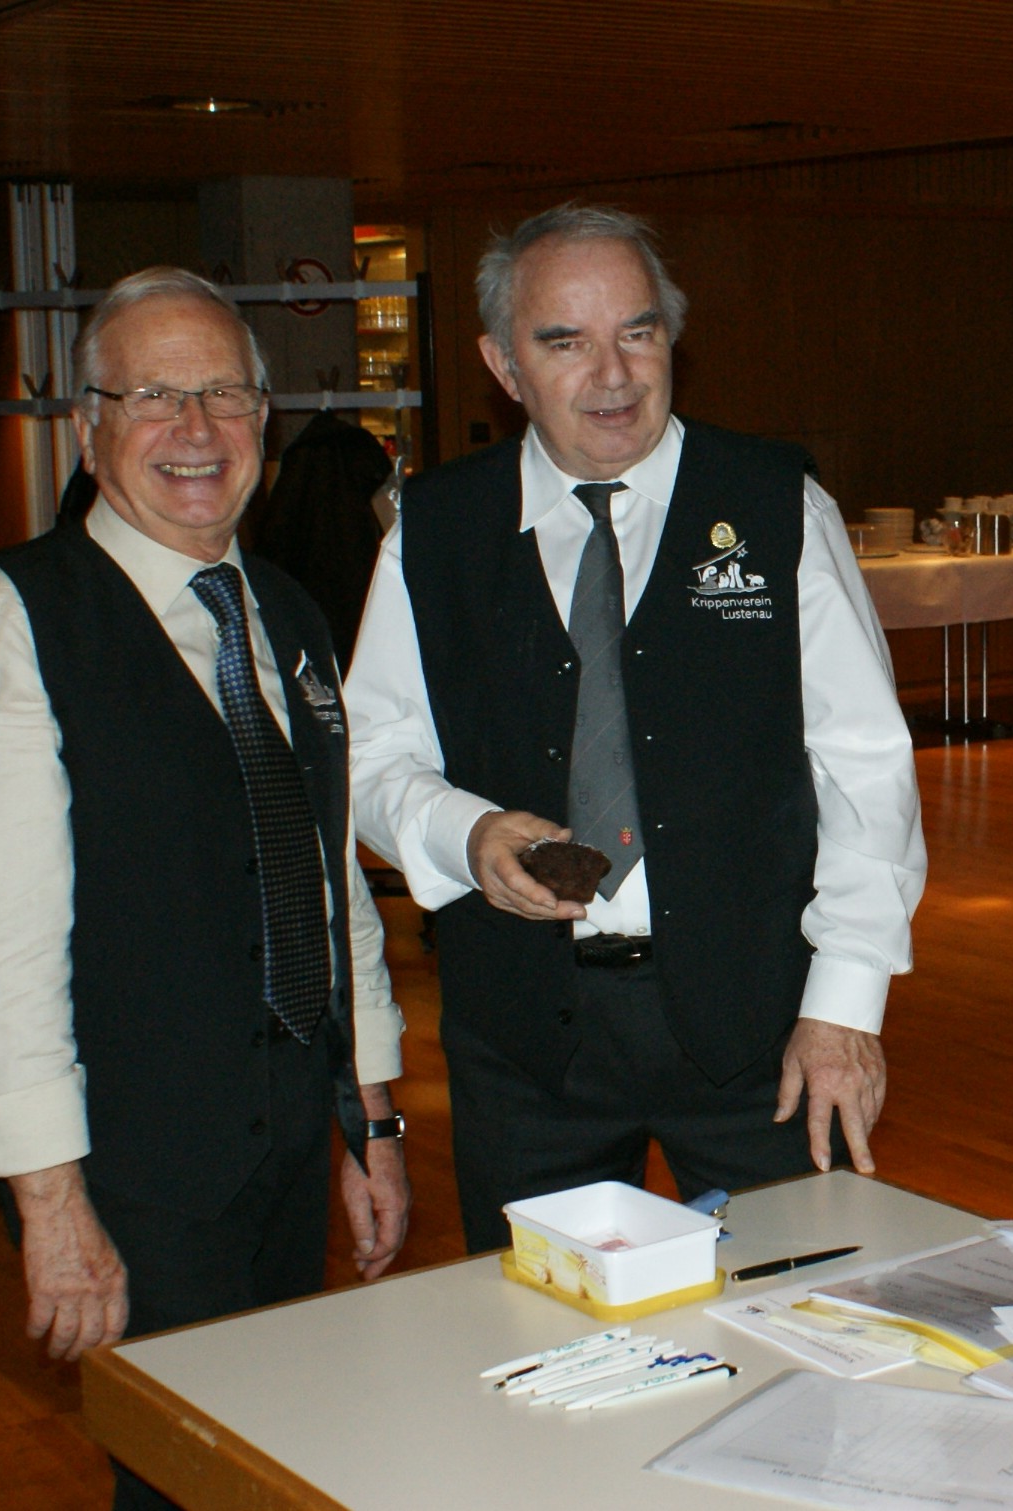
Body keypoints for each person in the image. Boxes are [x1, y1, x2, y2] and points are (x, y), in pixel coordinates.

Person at [0, 268, 410, 1509]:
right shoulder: (8, 623)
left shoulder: (285, 610)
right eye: (154, 397)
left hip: (285, 1143)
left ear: (264, 423)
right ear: (89, 428)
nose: (196, 428)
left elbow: (326, 883)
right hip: (132, 1167)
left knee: (281, 1454)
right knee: (176, 1480)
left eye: (226, 394)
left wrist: (370, 1120)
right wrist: (51, 1205)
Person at [345, 203, 924, 1251]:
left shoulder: (772, 504)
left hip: (760, 1033)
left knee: (800, 1303)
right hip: (525, 1042)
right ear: (504, 365)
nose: (612, 374)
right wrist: (464, 834)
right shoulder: (433, 532)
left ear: (671, 339)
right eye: (564, 341)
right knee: (545, 1327)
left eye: (638, 331)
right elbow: (373, 756)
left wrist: (844, 1005)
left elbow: (865, 767)